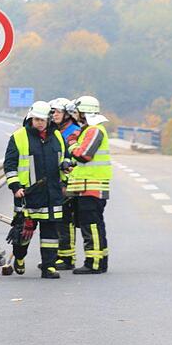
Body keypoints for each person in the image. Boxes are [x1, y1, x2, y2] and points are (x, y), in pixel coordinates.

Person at [4, 101, 72, 278]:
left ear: (48, 119)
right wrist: (15, 186)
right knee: (23, 233)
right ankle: (19, 257)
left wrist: (66, 165)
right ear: (30, 118)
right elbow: (10, 165)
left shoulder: (57, 136)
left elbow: (66, 156)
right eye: (36, 119)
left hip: (52, 194)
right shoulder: (19, 137)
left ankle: (48, 266)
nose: (39, 123)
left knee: (50, 233)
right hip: (28, 195)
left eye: (42, 119)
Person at [67, 95, 112, 274]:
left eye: (77, 112)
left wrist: (71, 145)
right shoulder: (88, 130)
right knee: (95, 225)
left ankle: (93, 263)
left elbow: (83, 155)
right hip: (87, 187)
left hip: (91, 188)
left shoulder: (94, 130)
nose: (75, 115)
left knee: (91, 225)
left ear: (84, 112)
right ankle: (100, 261)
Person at [49, 98, 81, 269]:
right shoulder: (55, 131)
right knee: (57, 220)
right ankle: (59, 255)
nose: (54, 115)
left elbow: (76, 157)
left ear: (67, 115)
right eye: (52, 112)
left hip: (69, 183)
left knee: (65, 219)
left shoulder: (74, 132)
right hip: (56, 181)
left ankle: (67, 257)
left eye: (57, 112)